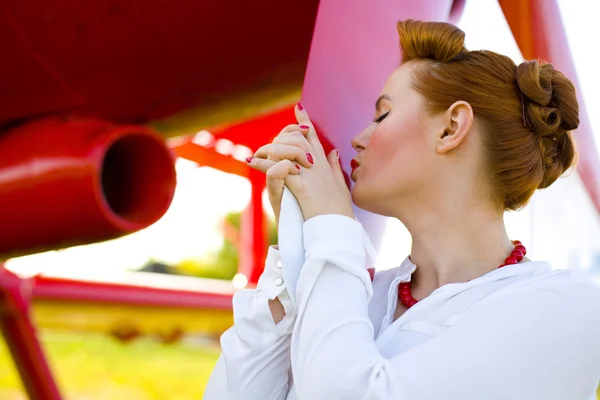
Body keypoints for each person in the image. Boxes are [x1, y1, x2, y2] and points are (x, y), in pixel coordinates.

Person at [203, 20, 600, 400]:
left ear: (451, 128)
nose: (358, 139)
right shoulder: (357, 290)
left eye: (382, 114)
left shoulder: (569, 306)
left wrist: (333, 226)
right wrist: (300, 248)